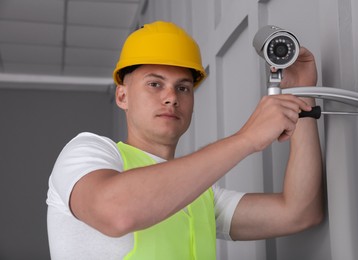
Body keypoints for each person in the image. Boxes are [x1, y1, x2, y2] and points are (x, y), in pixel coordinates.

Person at [46, 20, 323, 259]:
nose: (171, 97)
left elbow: (300, 212)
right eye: (155, 84)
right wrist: (246, 139)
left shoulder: (200, 197)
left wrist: (303, 96)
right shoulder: (86, 152)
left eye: (183, 88)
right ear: (122, 96)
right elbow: (117, 212)